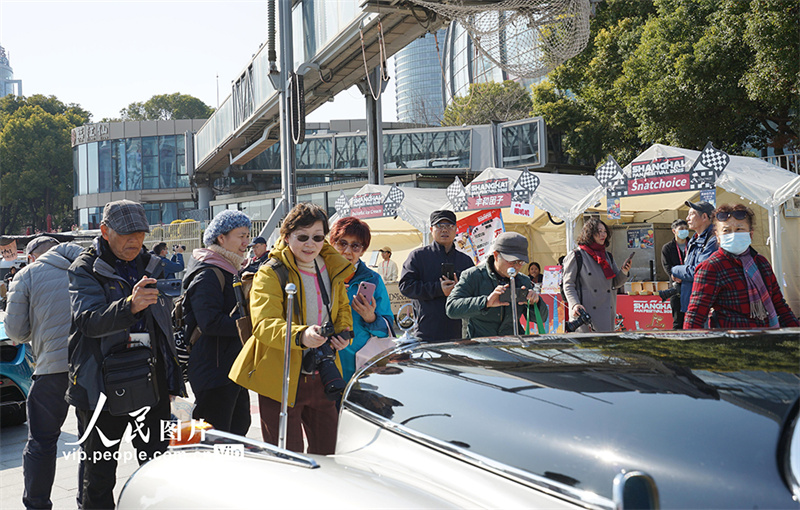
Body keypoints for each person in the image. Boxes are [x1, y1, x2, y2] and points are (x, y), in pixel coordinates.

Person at [67, 200, 185, 509]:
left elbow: (162, 329)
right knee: (100, 473)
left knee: (156, 467)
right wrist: (129, 306)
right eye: (126, 234)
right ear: (105, 231)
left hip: (150, 380)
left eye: (140, 234)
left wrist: (171, 381)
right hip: (101, 387)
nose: (134, 241)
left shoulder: (151, 263)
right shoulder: (84, 267)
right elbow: (88, 322)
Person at [240, 203, 352, 454]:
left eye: (317, 237)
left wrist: (344, 333)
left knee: (329, 454)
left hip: (323, 373)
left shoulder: (332, 266)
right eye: (302, 237)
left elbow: (342, 308)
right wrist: (301, 335)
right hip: (280, 376)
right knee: (286, 459)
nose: (310, 244)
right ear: (286, 236)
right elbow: (264, 325)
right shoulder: (270, 273)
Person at [5, 236, 84, 510]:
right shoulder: (91, 264)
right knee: (96, 443)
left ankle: (37, 504)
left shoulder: (27, 275)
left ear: (31, 257)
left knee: (41, 442)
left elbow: (15, 331)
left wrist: (35, 332)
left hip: (52, 368)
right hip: (94, 369)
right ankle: (90, 502)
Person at [183, 210, 252, 435]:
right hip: (213, 370)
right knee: (216, 438)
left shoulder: (230, 268)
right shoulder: (209, 272)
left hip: (231, 367)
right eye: (241, 235)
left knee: (238, 429)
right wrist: (250, 326)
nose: (246, 242)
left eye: (248, 235)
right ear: (221, 238)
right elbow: (209, 322)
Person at [684, 204, 798, 329]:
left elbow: (779, 304)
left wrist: (796, 332)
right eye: (726, 230)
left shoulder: (761, 263)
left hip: (767, 338)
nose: (733, 235)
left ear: (751, 234)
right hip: (731, 343)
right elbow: (695, 315)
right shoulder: (711, 267)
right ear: (717, 236)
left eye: (739, 229)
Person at [446, 232, 547, 337]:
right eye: (511, 261)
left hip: (512, 344)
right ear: (496, 255)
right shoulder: (473, 276)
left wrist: (535, 303)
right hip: (480, 345)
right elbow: (452, 308)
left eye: (520, 262)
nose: (516, 266)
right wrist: (486, 302)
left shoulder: (523, 280)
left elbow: (541, 318)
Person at [330, 218, 395, 382]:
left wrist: (370, 318)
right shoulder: (321, 277)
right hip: (327, 361)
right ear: (332, 244)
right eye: (342, 243)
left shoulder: (373, 280)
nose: (347, 251)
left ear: (363, 250)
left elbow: (386, 330)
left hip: (361, 365)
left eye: (355, 246)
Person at [399, 210, 474, 342]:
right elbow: (406, 286)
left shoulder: (465, 260)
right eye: (439, 226)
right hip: (425, 331)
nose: (444, 230)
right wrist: (438, 289)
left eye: (449, 226)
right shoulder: (418, 256)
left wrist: (459, 290)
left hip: (457, 332)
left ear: (456, 229)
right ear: (431, 229)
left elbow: (474, 290)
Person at [562, 218, 632, 333]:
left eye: (604, 231)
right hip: (585, 315)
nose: (602, 234)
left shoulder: (607, 256)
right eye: (598, 231)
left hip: (607, 314)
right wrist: (574, 304)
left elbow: (615, 283)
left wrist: (624, 271)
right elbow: (568, 284)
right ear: (589, 234)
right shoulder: (577, 255)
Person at [672, 201, 718, 319]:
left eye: (692, 214)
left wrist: (676, 270)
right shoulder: (695, 238)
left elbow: (699, 272)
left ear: (704, 217)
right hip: (692, 302)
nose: (687, 218)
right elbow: (690, 267)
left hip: (705, 305)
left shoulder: (713, 240)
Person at [661, 219, 690, 329]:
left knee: (693, 318)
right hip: (676, 286)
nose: (684, 231)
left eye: (686, 229)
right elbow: (666, 265)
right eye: (681, 229)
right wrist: (675, 276)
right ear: (674, 231)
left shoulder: (693, 245)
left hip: (691, 284)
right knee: (678, 319)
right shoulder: (667, 248)